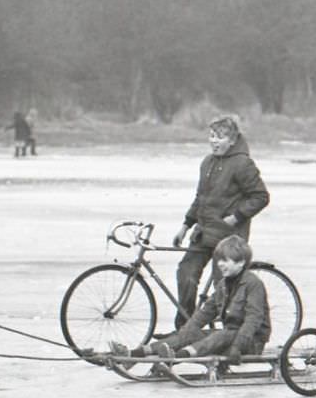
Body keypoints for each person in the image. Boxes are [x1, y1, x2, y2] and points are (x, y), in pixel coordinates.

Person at [170, 115, 269, 331]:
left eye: (220, 137)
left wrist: (237, 216)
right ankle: (184, 329)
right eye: (212, 136)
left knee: (223, 288)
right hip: (202, 233)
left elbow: (261, 196)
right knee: (185, 275)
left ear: (232, 140)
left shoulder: (243, 163)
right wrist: (185, 226)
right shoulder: (207, 162)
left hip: (228, 239)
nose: (214, 141)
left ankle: (229, 333)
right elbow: (200, 198)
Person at [110, 235, 270, 368]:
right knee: (190, 334)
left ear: (241, 262)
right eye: (219, 260)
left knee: (218, 336)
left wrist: (238, 346)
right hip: (229, 337)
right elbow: (204, 313)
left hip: (249, 342)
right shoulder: (223, 285)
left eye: (225, 260)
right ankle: (132, 355)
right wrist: (185, 333)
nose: (220, 264)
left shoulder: (252, 284)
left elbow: (253, 320)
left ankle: (175, 358)